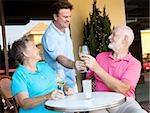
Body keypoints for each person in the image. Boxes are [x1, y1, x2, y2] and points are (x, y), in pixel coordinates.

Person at [81, 26, 147, 113]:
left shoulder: (134, 63)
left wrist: (97, 68)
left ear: (125, 40)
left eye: (114, 34)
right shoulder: (100, 56)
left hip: (124, 103)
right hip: (100, 103)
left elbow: (123, 88)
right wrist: (82, 67)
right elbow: (88, 80)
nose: (109, 37)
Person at [10, 36, 65, 113]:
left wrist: (66, 88)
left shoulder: (45, 66)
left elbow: (59, 81)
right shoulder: (19, 76)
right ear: (25, 53)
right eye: (33, 47)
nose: (38, 49)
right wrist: (46, 97)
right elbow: (23, 103)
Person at [42, 0, 85, 93]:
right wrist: (74, 64)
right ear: (55, 17)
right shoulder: (50, 36)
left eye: (69, 16)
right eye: (65, 17)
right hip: (58, 82)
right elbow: (60, 58)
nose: (68, 20)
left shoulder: (65, 29)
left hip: (71, 79)